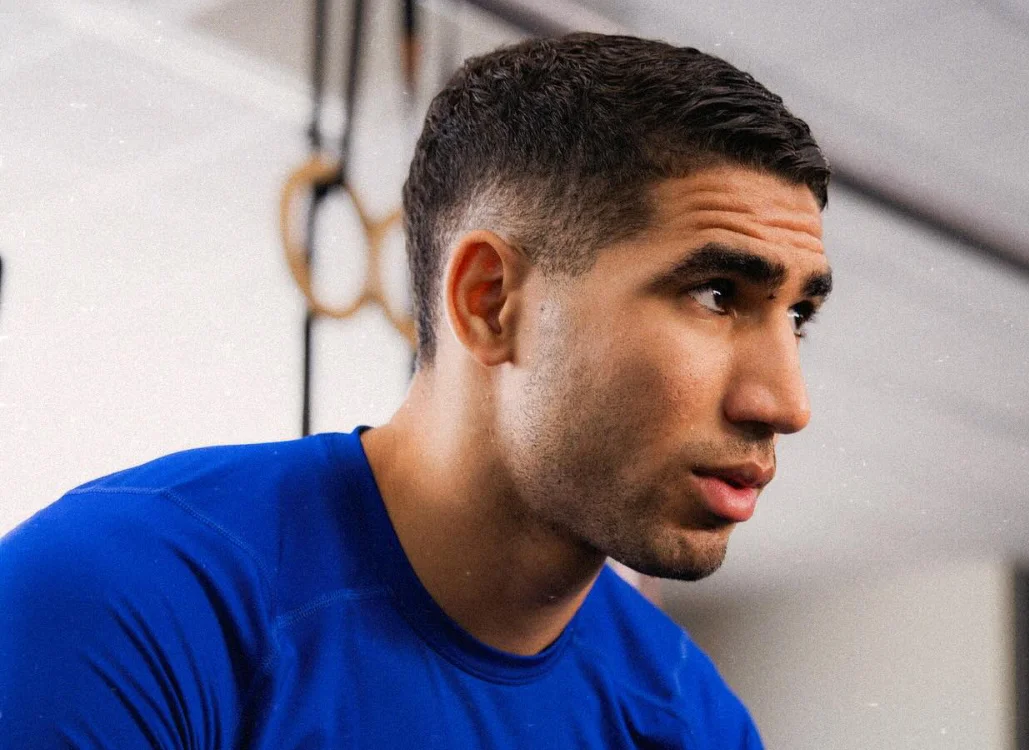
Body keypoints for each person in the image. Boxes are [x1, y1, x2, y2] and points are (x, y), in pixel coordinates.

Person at [0, 32, 831, 748]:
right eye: (716, 293)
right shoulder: (123, 600)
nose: (785, 404)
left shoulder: (690, 721)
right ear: (489, 301)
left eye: (797, 316)